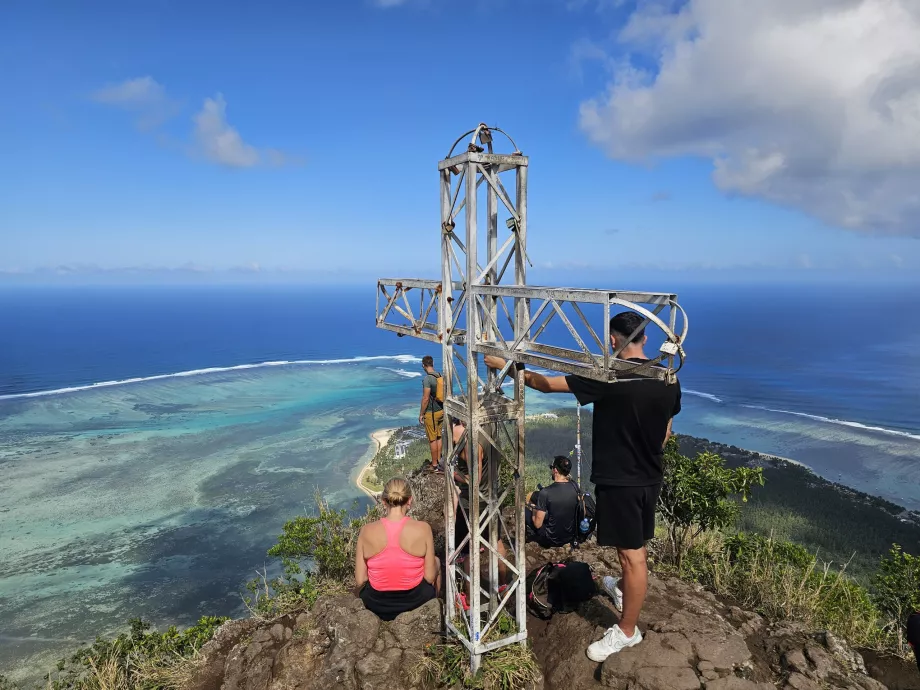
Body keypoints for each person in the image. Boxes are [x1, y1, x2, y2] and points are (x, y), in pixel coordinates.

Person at [484, 310, 681, 662]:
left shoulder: (608, 378)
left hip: (622, 481)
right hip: (648, 476)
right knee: (632, 547)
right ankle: (622, 588)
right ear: (645, 338)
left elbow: (542, 383)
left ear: (613, 340)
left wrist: (505, 363)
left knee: (631, 555)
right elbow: (666, 429)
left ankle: (627, 631)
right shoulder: (667, 376)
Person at [355, 477, 441, 621]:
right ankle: (436, 610)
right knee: (436, 561)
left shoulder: (366, 531)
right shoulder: (423, 529)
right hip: (416, 601)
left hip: (377, 605)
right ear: (409, 501)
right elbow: (430, 576)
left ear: (383, 501)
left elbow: (360, 579)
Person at [450, 418, 509, 607]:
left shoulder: (472, 443)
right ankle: (502, 584)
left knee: (468, 550)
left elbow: (473, 480)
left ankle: (469, 596)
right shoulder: (489, 429)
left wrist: (454, 474)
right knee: (496, 540)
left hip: (474, 502)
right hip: (492, 496)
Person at [526, 455, 579, 548]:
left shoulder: (545, 492)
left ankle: (524, 540)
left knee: (522, 511)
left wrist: (534, 508)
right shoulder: (575, 487)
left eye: (552, 468)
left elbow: (537, 525)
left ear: (555, 470)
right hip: (570, 537)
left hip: (550, 540)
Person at [419, 355, 444, 472]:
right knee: (438, 436)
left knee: (432, 439)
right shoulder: (439, 375)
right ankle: (439, 460)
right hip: (441, 410)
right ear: (432, 363)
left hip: (431, 413)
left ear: (424, 365)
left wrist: (421, 414)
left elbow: (425, 398)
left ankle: (434, 465)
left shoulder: (427, 379)